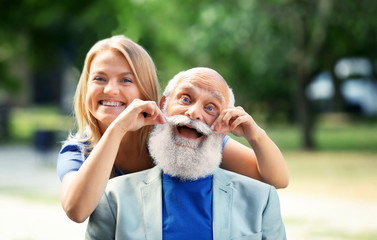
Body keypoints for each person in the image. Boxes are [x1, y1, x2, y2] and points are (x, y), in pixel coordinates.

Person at [57, 35, 289, 223]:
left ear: (147, 92)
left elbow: (276, 178)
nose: (111, 90)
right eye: (99, 78)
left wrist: (256, 135)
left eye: (126, 80)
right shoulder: (77, 151)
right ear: (85, 88)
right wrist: (117, 130)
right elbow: (77, 211)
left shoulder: (172, 134)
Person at [85, 67, 286, 240]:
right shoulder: (112, 198)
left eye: (210, 107)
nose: (194, 113)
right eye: (185, 98)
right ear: (163, 104)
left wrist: (256, 135)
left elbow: (280, 178)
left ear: (226, 123)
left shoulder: (261, 200)